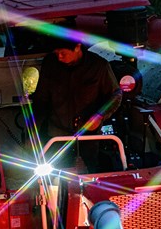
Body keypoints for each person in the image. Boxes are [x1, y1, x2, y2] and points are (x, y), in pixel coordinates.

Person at [31, 35, 122, 172]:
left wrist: (100, 115)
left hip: (89, 134)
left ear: (77, 47)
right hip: (57, 133)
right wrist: (34, 130)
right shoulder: (50, 64)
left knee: (90, 172)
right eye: (56, 53)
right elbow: (41, 99)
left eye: (63, 53)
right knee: (56, 174)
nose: (59, 57)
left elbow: (115, 95)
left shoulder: (98, 66)